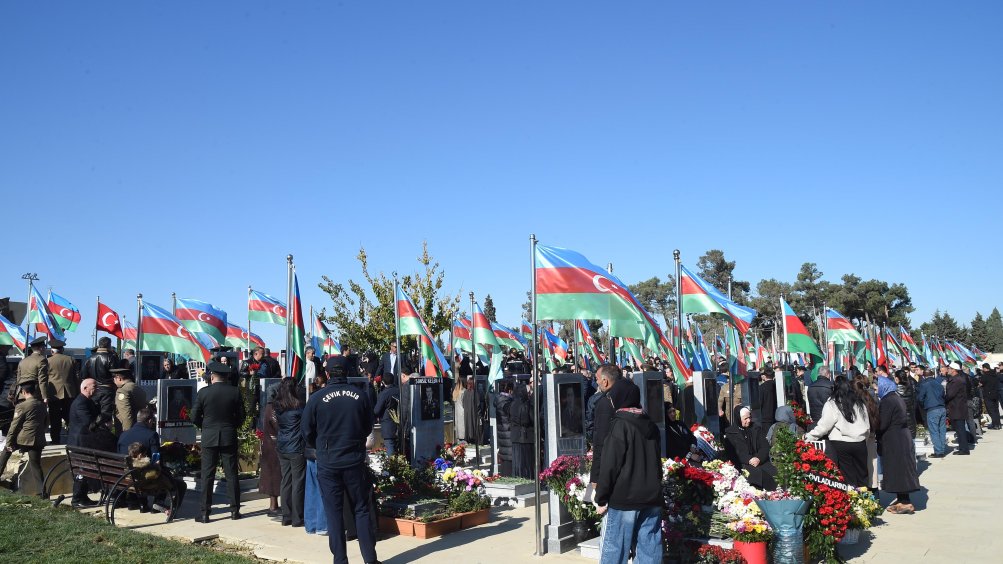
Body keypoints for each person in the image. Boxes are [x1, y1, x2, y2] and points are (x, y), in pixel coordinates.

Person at [301, 356, 379, 564]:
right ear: (347, 373)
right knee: (361, 509)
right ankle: (370, 559)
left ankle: (340, 560)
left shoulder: (317, 398)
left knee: (333, 513)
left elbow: (306, 431)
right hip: (353, 460)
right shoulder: (360, 396)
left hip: (328, 461)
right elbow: (368, 426)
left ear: (327, 374)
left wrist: (321, 446)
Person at [594, 379, 662, 564]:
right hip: (651, 495)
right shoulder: (651, 425)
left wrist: (601, 496)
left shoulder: (620, 425)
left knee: (616, 548)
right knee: (649, 548)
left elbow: (610, 465)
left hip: (625, 497)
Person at [191, 361, 245, 522]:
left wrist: (204, 427)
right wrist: (231, 427)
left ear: (212, 377)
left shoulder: (204, 393)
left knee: (207, 475)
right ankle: (235, 511)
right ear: (226, 377)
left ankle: (204, 513)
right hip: (229, 435)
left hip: (209, 436)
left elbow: (194, 416)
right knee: (231, 474)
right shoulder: (235, 392)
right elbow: (242, 417)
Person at [804, 376, 870, 487]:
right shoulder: (859, 403)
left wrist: (809, 436)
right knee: (862, 475)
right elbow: (867, 424)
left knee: (848, 476)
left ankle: (852, 500)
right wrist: (864, 438)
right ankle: (865, 500)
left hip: (841, 443)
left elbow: (824, 426)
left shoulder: (832, 403)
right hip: (860, 442)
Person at [876, 376, 921, 513]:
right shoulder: (895, 397)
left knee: (899, 470)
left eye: (878, 386)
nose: (876, 389)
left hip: (895, 439)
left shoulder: (887, 401)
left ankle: (905, 502)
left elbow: (883, 423)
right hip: (900, 437)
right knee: (901, 469)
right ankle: (902, 499)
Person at [0, 382, 47, 495]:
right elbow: (46, 422)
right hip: (38, 439)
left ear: (23, 392)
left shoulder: (22, 406)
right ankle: (42, 492)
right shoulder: (42, 405)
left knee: (5, 453)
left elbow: (14, 426)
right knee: (36, 466)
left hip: (23, 439)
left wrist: (9, 442)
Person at [274, 378, 306, 527]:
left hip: (282, 446)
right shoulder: (299, 407)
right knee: (297, 482)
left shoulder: (278, 406)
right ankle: (297, 517)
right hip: (295, 447)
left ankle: (286, 515)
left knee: (286, 480)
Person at [724, 405, 777, 490]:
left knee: (774, 473)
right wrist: (749, 459)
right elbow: (732, 452)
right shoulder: (730, 433)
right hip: (743, 463)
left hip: (759, 461)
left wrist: (759, 458)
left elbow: (765, 446)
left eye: (750, 417)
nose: (749, 420)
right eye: (745, 419)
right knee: (756, 475)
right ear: (738, 419)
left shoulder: (756, 428)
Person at [67, 378, 100, 507]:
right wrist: (100, 420)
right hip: (79, 443)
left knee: (85, 470)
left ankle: (83, 497)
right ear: (85, 388)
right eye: (94, 386)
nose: (96, 388)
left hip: (84, 442)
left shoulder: (87, 401)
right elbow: (88, 422)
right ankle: (77, 498)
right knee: (82, 470)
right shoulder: (81, 403)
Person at [588, 364, 621, 489]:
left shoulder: (605, 402)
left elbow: (601, 438)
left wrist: (595, 476)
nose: (596, 382)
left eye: (597, 379)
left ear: (605, 381)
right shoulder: (629, 397)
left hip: (611, 464)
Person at [305, 372, 329, 535]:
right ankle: (321, 525)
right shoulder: (322, 401)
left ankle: (311, 524)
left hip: (311, 448)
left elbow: (306, 428)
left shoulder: (311, 400)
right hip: (320, 448)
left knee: (311, 488)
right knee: (322, 488)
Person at [82, 337, 119, 429]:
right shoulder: (111, 357)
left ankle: (94, 433)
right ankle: (105, 437)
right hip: (108, 390)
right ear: (109, 345)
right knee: (106, 416)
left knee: (95, 414)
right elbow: (116, 375)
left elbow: (83, 375)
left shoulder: (90, 358)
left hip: (93, 390)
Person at [46, 339, 77, 444]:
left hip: (53, 393)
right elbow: (75, 378)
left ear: (52, 351)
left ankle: (55, 440)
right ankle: (73, 439)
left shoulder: (48, 361)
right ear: (62, 350)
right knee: (70, 417)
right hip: (70, 392)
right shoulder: (71, 360)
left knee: (55, 418)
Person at [259, 385, 282, 518]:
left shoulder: (268, 407)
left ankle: (274, 505)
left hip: (269, 445)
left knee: (272, 477)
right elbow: (278, 425)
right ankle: (273, 506)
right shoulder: (273, 408)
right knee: (274, 477)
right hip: (274, 446)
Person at [916, 368, 948, 457]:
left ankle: (938, 451)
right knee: (942, 430)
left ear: (924, 376)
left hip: (932, 408)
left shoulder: (925, 385)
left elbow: (920, 398)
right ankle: (941, 449)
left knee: (934, 431)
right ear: (932, 375)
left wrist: (924, 405)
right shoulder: (939, 384)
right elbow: (943, 395)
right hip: (941, 407)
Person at [508, 382, 535, 480]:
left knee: (518, 462)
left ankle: (518, 478)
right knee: (526, 462)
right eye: (528, 392)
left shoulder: (512, 403)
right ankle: (527, 479)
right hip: (526, 437)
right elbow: (528, 419)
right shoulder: (526, 404)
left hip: (515, 436)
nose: (529, 394)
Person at [945, 361, 973, 454]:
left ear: (954, 370)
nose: (948, 370)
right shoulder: (956, 379)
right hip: (957, 407)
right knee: (959, 429)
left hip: (958, 408)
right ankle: (962, 448)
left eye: (949, 368)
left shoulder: (957, 380)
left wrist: (943, 398)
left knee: (960, 430)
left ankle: (964, 449)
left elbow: (950, 394)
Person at [373, 373, 401, 457]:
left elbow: (376, 410)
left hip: (388, 424)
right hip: (401, 423)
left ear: (383, 382)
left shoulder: (384, 393)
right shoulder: (399, 390)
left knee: (390, 448)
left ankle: (393, 468)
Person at [15, 336, 49, 404]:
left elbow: (18, 379)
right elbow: (42, 380)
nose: (45, 349)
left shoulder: (23, 361)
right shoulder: (42, 360)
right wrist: (45, 397)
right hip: (35, 395)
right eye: (44, 347)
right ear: (41, 348)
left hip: (22, 394)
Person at [493, 379, 514, 476]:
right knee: (509, 457)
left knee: (505, 457)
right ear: (509, 390)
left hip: (502, 433)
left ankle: (505, 476)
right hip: (508, 433)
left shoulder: (498, 400)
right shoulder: (507, 402)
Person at [980, 363, 1000, 429]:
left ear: (985, 368)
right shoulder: (994, 374)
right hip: (995, 394)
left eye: (983, 368)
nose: (982, 369)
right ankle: (998, 423)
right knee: (996, 410)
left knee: (991, 410)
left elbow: (980, 383)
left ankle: (995, 424)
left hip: (988, 395)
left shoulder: (985, 375)